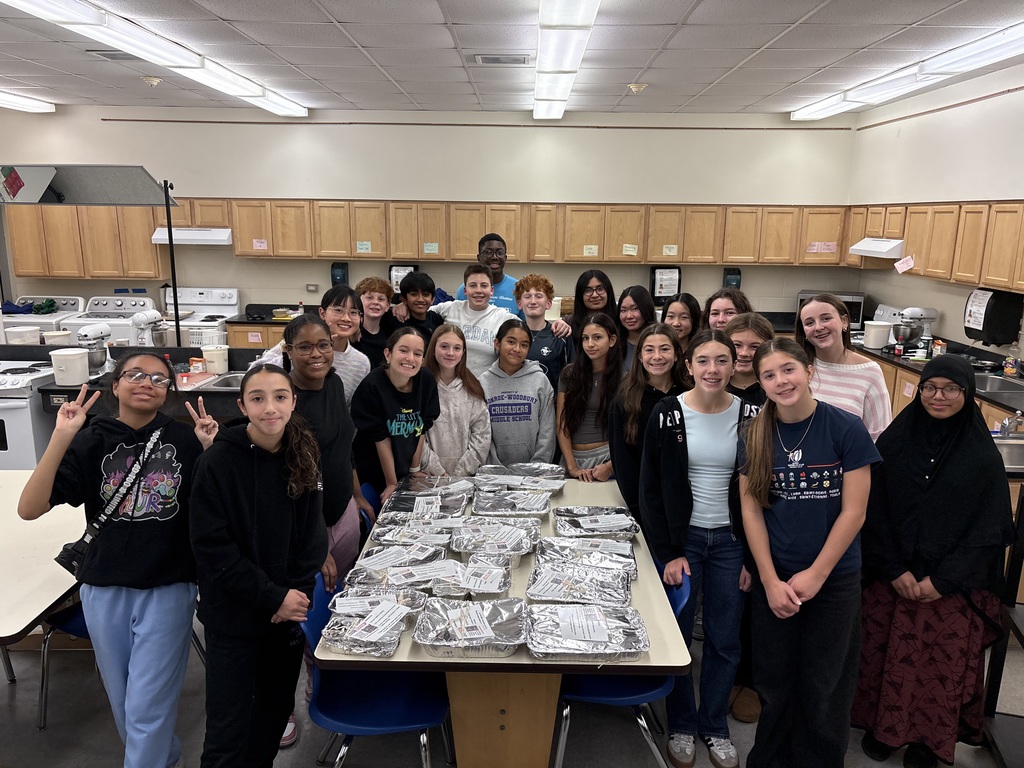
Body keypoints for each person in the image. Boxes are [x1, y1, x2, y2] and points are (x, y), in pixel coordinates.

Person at [18, 353, 218, 768]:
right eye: (136, 375)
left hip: (168, 586)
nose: (147, 383)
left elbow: (214, 511)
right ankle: (166, 757)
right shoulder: (91, 440)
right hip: (103, 588)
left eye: (160, 379)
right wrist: (62, 435)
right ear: (115, 385)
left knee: (146, 705)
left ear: (168, 392)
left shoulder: (184, 439)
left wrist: (210, 451)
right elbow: (29, 508)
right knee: (127, 702)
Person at [852, 355, 1013, 768]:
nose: (938, 396)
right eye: (930, 388)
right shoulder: (894, 443)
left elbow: (989, 531)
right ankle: (883, 730)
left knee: (936, 668)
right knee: (883, 654)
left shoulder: (982, 457)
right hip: (894, 578)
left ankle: (927, 741)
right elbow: (873, 511)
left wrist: (941, 580)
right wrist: (895, 570)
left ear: (967, 394)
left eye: (950, 389)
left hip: (951, 587)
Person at [739, 338, 880, 768]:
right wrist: (768, 579)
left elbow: (854, 512)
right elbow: (751, 510)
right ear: (760, 383)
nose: (781, 381)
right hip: (776, 578)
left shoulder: (844, 428)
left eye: (788, 370)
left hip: (833, 579)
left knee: (824, 683)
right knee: (775, 681)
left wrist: (817, 574)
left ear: (809, 371)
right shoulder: (756, 434)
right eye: (769, 375)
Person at [190, 365, 326, 768]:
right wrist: (273, 597)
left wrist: (296, 595)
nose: (270, 408)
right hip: (234, 620)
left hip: (283, 620)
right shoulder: (217, 463)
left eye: (280, 397)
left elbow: (312, 538)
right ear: (242, 405)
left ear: (293, 402)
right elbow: (212, 549)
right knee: (227, 735)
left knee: (268, 724)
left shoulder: (303, 454)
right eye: (258, 398)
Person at [640, 329, 750, 768]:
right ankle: (683, 723)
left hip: (731, 544)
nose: (712, 370)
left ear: (734, 364)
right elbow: (650, 488)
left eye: (722, 360)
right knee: (680, 638)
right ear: (688, 366)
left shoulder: (753, 412)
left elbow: (763, 488)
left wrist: (756, 560)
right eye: (703, 361)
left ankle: (716, 726)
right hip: (684, 543)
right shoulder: (667, 413)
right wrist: (668, 552)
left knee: (725, 640)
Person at [723, 312, 775, 725]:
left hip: (760, 508)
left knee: (754, 601)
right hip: (714, 508)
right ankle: (721, 678)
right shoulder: (709, 383)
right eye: (735, 345)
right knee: (725, 607)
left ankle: (751, 681)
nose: (742, 354)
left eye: (753, 347)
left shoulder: (772, 393)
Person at [608, 323, 688, 524]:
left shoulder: (689, 396)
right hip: (644, 507)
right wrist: (640, 508)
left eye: (665, 349)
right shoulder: (624, 400)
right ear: (639, 356)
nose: (657, 356)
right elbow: (623, 462)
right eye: (649, 350)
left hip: (686, 506)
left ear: (677, 354)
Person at [351, 328, 440, 503]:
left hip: (403, 469)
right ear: (388, 354)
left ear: (422, 360)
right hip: (373, 471)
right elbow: (380, 438)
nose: (410, 358)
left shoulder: (426, 381)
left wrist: (414, 470)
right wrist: (391, 482)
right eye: (403, 350)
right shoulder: (372, 386)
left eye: (417, 353)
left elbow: (421, 428)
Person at [253, 285, 370, 408]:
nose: (346, 318)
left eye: (353, 312)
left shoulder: (361, 363)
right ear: (322, 313)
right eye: (338, 310)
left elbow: (351, 409)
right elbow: (255, 374)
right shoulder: (296, 349)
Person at [796, 292, 891, 440]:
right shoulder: (797, 369)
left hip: (850, 461)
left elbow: (880, 436)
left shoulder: (870, 372)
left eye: (826, 318)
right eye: (809, 323)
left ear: (844, 321)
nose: (818, 327)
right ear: (804, 332)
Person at [480, 318, 556, 465]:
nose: (517, 349)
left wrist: (537, 466)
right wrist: (495, 468)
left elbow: (548, 431)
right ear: (497, 343)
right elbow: (481, 433)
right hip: (495, 473)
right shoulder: (482, 383)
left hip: (534, 473)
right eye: (511, 342)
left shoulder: (540, 381)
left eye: (524, 345)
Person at [556, 313, 622, 482]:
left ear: (612, 340)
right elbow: (562, 424)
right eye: (585, 338)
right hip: (572, 458)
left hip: (608, 460)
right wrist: (572, 467)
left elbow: (629, 432)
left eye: (597, 338)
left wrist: (610, 466)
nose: (590, 344)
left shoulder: (624, 379)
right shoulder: (569, 374)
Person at [420, 324, 492, 476]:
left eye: (457, 348)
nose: (450, 353)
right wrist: (438, 473)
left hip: (465, 478)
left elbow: (482, 436)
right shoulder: (419, 387)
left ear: (463, 352)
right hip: (428, 477)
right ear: (433, 348)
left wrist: (460, 474)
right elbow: (416, 435)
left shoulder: (472, 387)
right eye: (444, 346)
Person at [515, 272, 575, 391]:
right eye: (527, 296)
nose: (533, 301)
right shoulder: (513, 336)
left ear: (548, 304)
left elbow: (571, 376)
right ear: (519, 304)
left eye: (538, 296)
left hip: (552, 405)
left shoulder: (560, 335)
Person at [455, 233, 521, 315]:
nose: (495, 257)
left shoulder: (518, 288)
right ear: (479, 258)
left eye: (500, 253)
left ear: (505, 258)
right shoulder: (466, 290)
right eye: (488, 252)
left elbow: (524, 325)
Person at [725, 312, 775, 416]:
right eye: (737, 345)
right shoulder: (714, 386)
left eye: (754, 347)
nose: (744, 353)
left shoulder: (775, 388)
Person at [381, 271, 445, 342]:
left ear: (432, 299)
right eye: (414, 294)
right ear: (404, 299)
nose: (420, 299)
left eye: (426, 294)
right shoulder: (393, 319)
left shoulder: (436, 320)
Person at [563, 269, 617, 348]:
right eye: (588, 290)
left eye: (600, 289)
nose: (595, 295)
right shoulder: (569, 323)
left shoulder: (620, 320)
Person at [353, 276, 394, 368]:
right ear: (358, 302)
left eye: (381, 299)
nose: (375, 302)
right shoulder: (351, 335)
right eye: (369, 298)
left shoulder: (390, 335)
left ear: (387, 306)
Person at [616, 285, 657, 369]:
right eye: (623, 310)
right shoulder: (614, 344)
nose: (629, 316)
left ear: (646, 309)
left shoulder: (660, 341)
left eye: (635, 309)